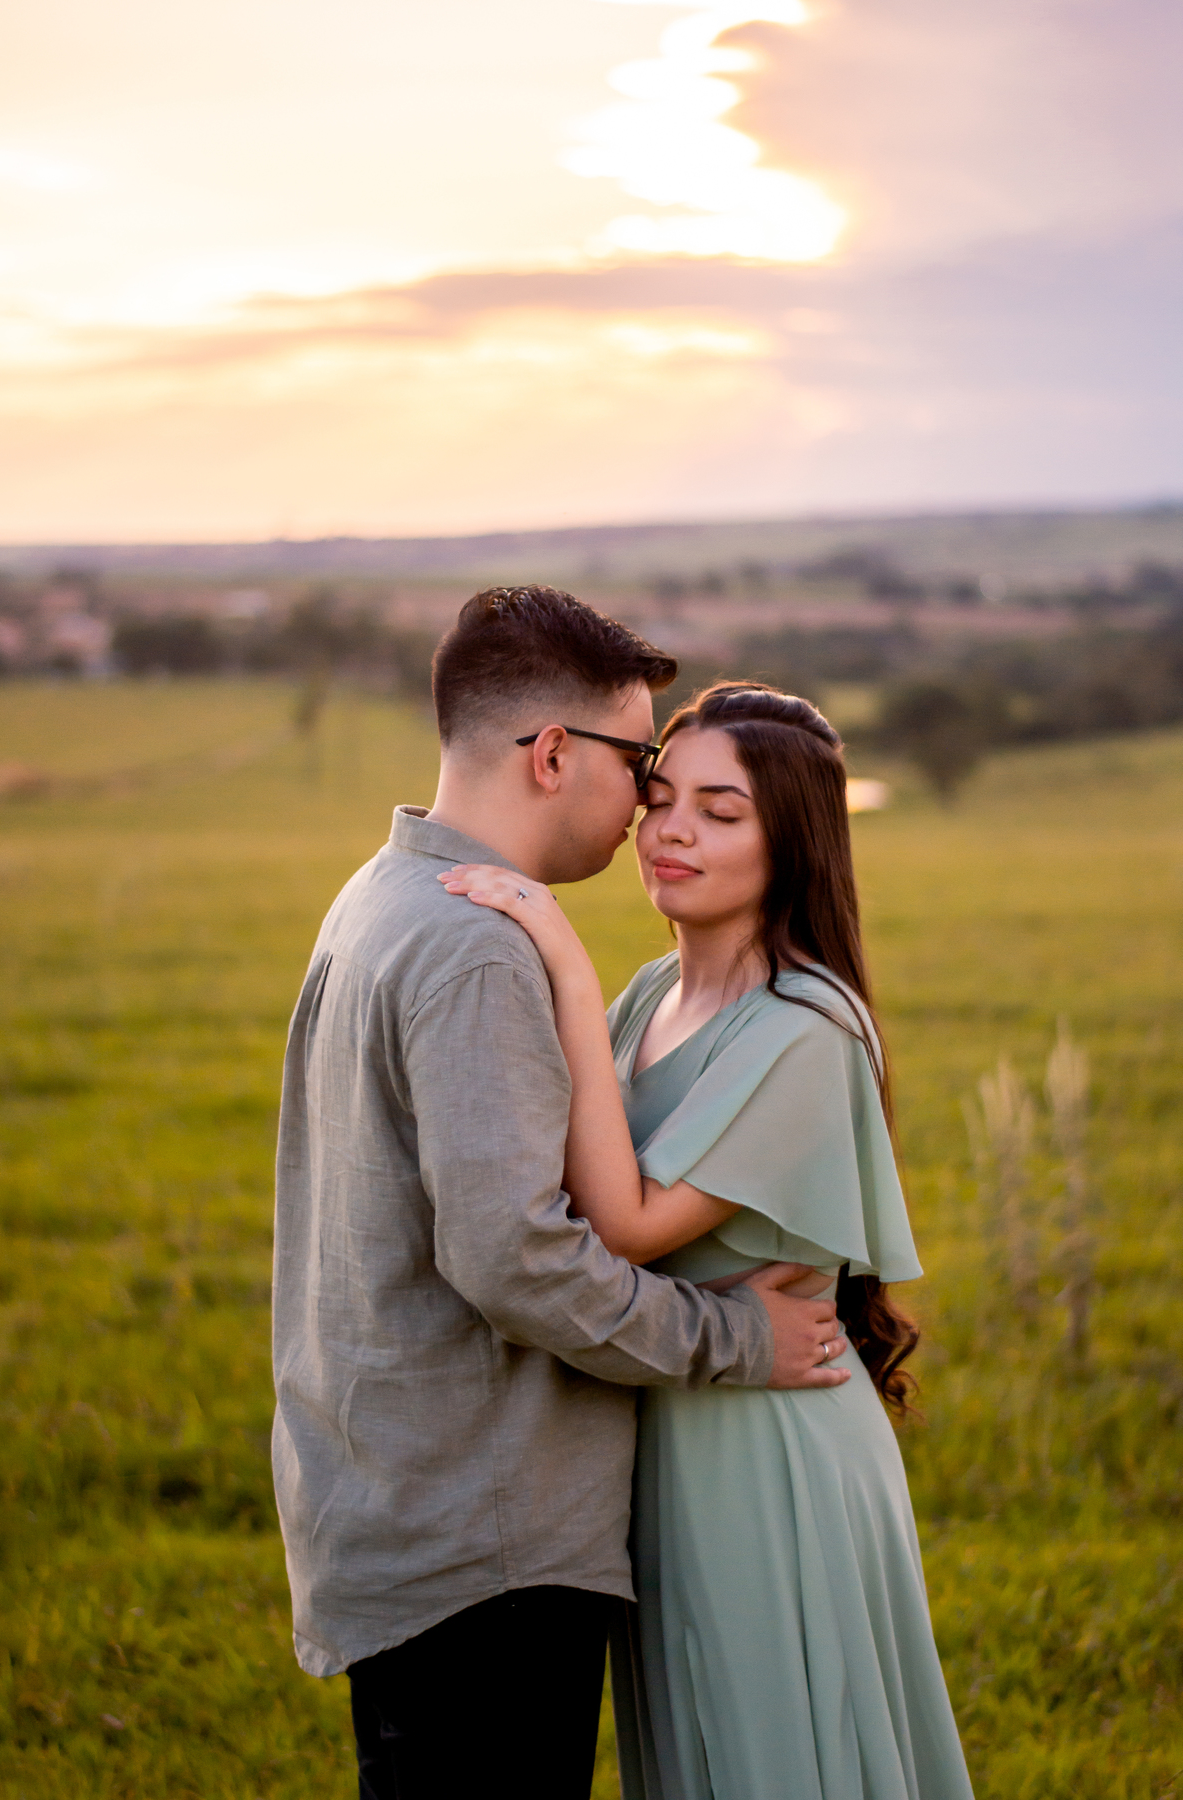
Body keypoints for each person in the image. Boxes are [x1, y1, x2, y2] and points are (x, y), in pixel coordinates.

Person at [271, 593, 854, 1800]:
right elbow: (515, 1260)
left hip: (393, 1502)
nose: (650, 803)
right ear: (551, 756)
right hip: (483, 1544)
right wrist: (737, 1336)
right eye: (643, 764)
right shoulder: (478, 947)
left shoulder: (378, 896)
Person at [441, 681, 975, 1800]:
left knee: (774, 1754)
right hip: (669, 1437)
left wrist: (559, 959)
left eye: (721, 813)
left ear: (793, 844)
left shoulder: (804, 1028)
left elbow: (625, 1225)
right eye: (663, 798)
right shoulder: (648, 1000)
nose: (672, 832)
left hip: (767, 1452)